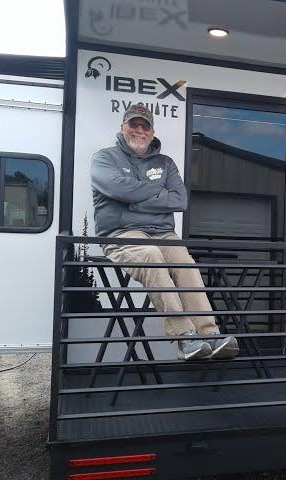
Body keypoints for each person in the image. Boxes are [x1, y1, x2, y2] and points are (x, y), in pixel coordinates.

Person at [90, 104, 238, 361]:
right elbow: (117, 189)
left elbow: (180, 200)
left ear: (152, 131)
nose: (139, 130)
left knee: (185, 262)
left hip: (162, 234)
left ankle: (209, 334)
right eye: (133, 125)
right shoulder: (104, 158)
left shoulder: (165, 163)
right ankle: (184, 338)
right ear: (122, 127)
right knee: (151, 255)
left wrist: (132, 198)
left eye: (144, 126)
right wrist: (155, 191)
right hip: (121, 234)